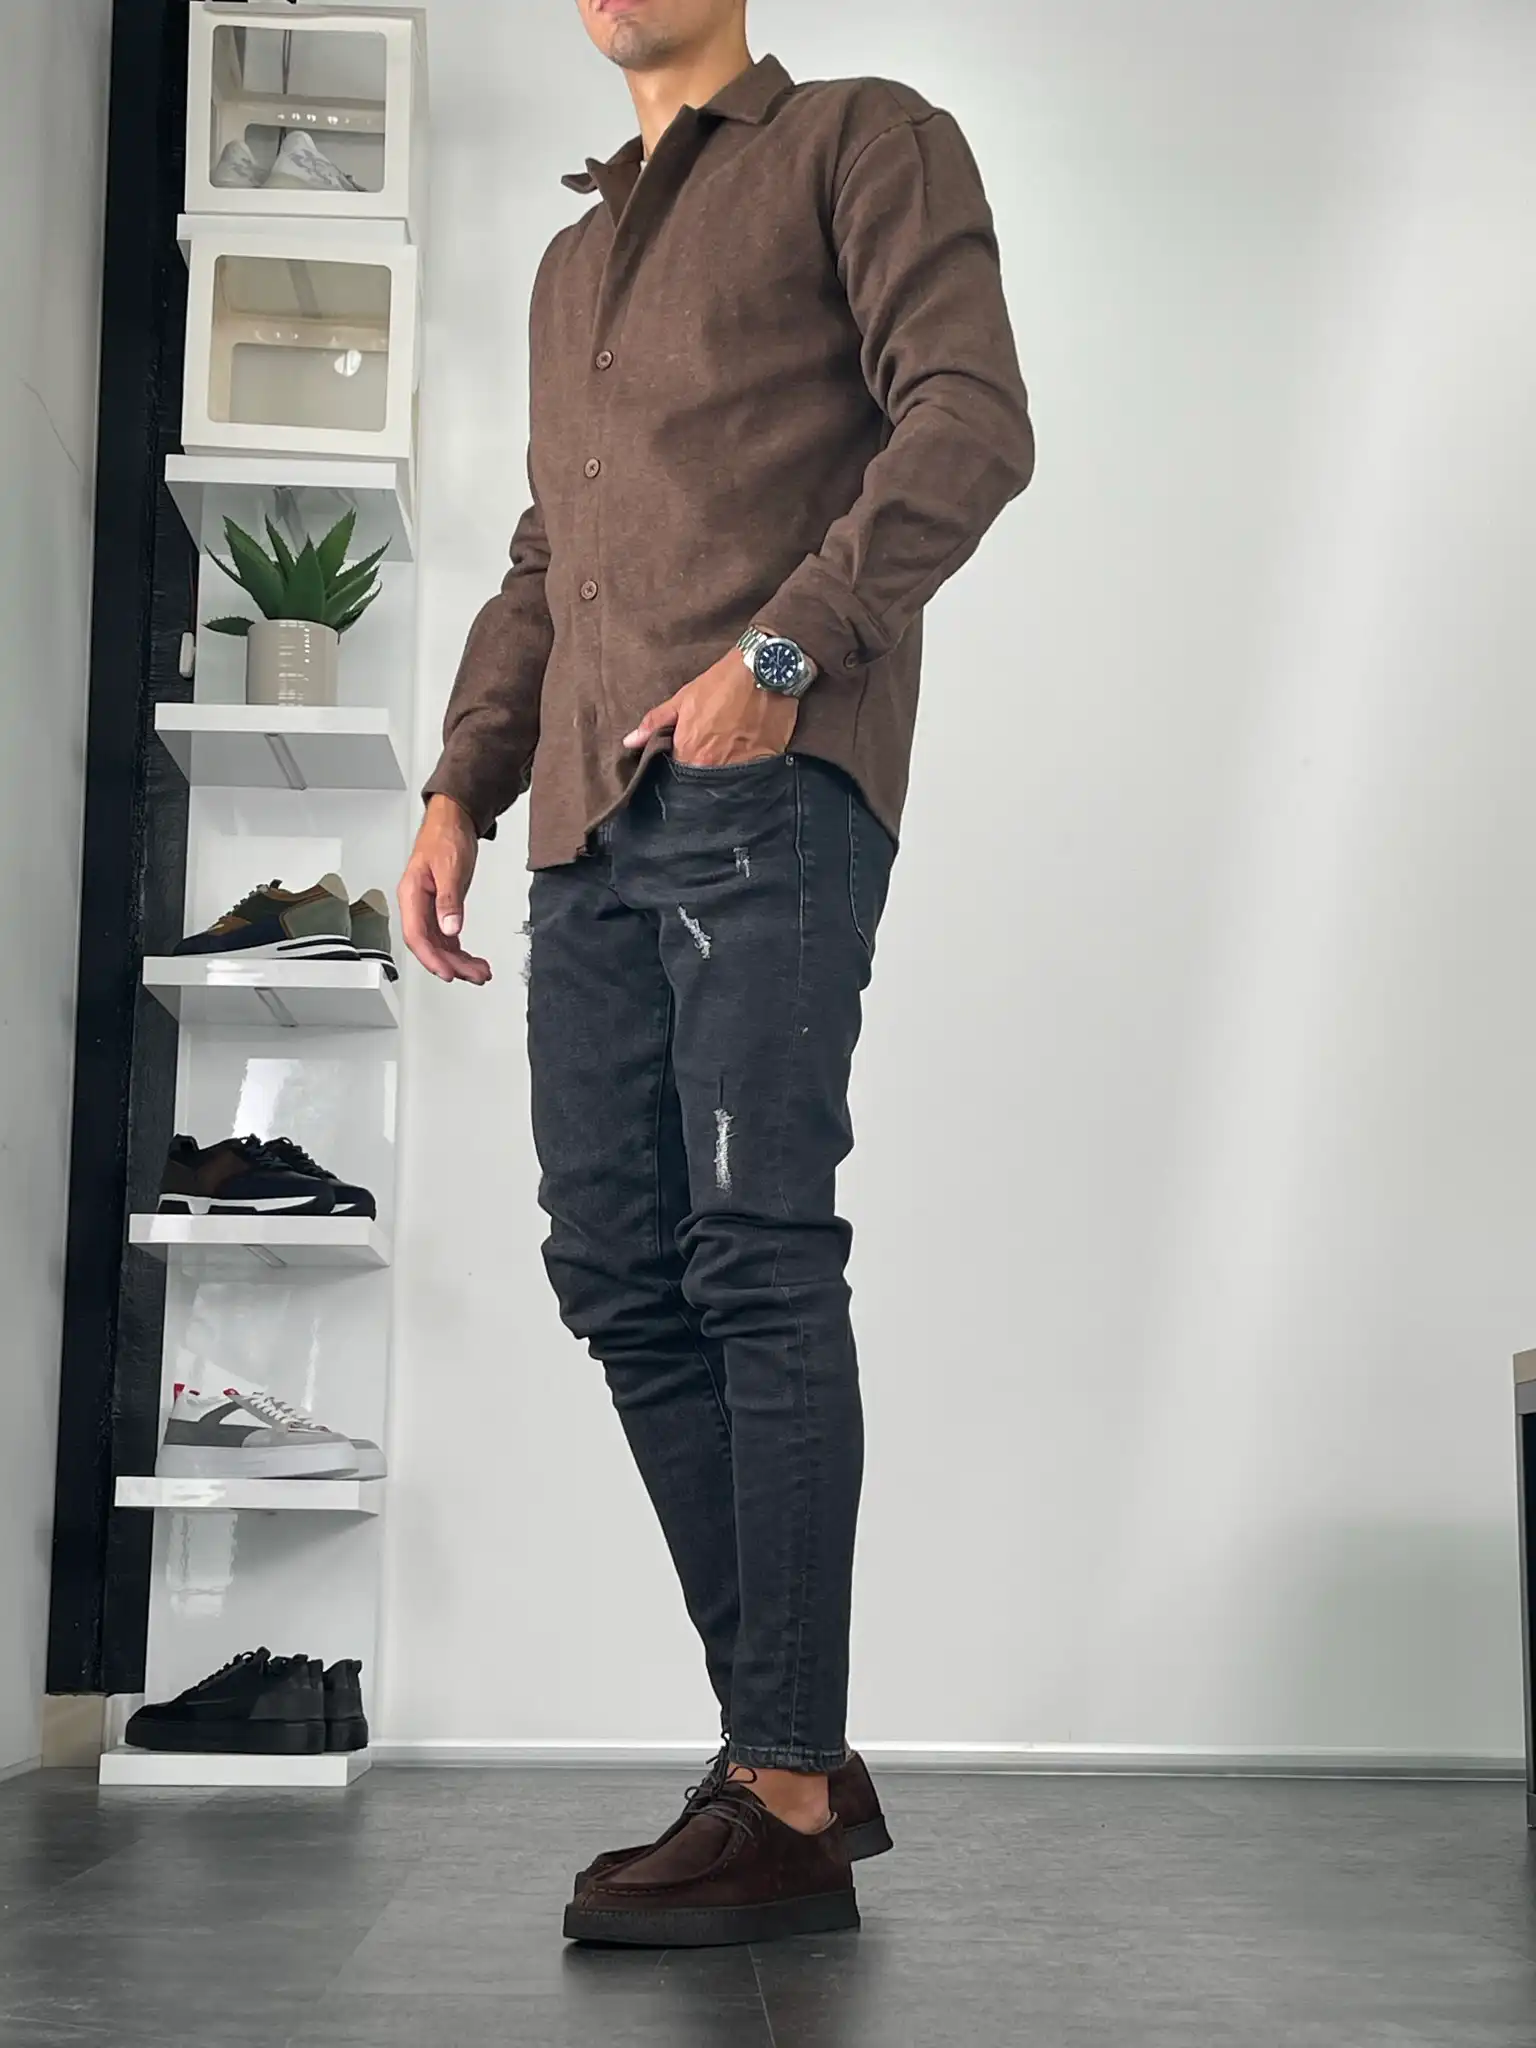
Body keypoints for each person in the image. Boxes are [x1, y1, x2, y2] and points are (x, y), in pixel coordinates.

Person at [399, 0, 1033, 1948]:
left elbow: (969, 420)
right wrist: (462, 784)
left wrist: (783, 654)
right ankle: (797, 1761)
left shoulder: (858, 140)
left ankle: (778, 1776)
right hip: (584, 820)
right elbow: (547, 555)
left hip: (765, 789)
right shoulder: (574, 260)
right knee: (615, 1265)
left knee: (756, 1253)